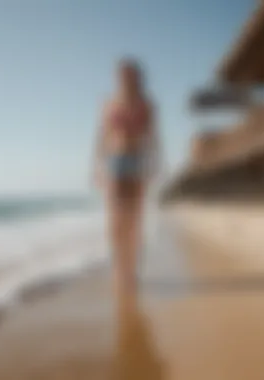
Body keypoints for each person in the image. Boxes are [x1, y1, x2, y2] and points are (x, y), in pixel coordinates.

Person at [92, 58, 162, 295]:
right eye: (121, 75)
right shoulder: (108, 103)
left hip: (137, 163)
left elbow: (154, 137)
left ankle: (132, 270)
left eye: (129, 74)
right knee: (115, 222)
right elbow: (100, 137)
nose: (124, 79)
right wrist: (96, 167)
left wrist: (155, 164)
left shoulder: (147, 104)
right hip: (114, 163)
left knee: (135, 219)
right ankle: (119, 268)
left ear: (137, 77)